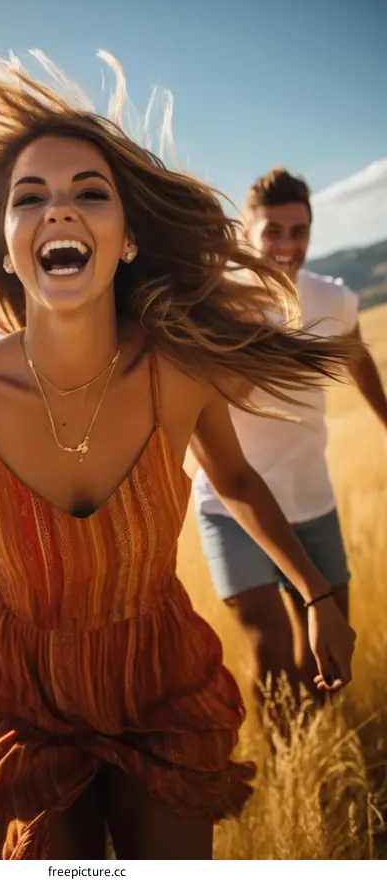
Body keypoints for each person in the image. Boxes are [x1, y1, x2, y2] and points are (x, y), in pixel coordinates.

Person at [0, 52, 358, 860]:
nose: (60, 211)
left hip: (160, 675)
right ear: (6, 240)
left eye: (90, 193)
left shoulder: (178, 373)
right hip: (23, 693)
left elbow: (233, 479)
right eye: (32, 198)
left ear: (125, 240)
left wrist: (316, 595)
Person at [192, 167, 387, 708]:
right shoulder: (216, 308)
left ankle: (313, 748)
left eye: (298, 231)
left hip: (311, 501)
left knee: (326, 653)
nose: (286, 244)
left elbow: (357, 355)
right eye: (272, 231)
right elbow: (207, 396)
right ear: (248, 234)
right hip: (229, 508)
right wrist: (258, 339)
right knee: (270, 644)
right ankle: (283, 761)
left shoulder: (334, 299)